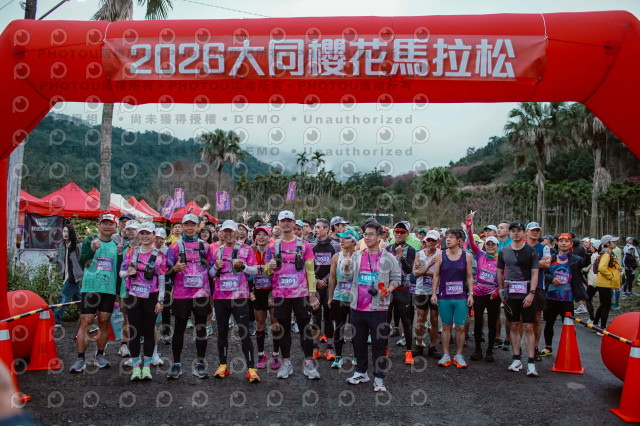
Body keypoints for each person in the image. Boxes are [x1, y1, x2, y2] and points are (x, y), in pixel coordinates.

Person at [343, 221, 400, 392]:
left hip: (378, 308)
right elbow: (348, 277)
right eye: (365, 234)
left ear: (380, 236)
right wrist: (346, 267)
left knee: (379, 344)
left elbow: (397, 279)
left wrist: (388, 290)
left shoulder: (388, 257)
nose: (367, 237)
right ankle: (361, 372)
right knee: (358, 342)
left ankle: (379, 378)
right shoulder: (357, 255)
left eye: (371, 234)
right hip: (357, 307)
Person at [264, 210, 320, 380]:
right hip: (281, 295)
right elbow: (266, 271)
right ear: (278, 223)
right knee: (283, 328)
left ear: (294, 223)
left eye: (289, 221)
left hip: (301, 294)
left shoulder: (304, 245)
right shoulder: (272, 246)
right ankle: (286, 363)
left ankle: (309, 363)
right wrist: (270, 267)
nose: (286, 224)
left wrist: (312, 295)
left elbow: (310, 272)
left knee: (305, 328)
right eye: (283, 221)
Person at [70, 213, 123, 373]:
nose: (107, 226)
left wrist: (118, 292)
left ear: (115, 227)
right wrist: (92, 250)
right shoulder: (90, 240)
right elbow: (82, 262)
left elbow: (119, 270)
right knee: (86, 321)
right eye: (104, 223)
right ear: (99, 225)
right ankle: (80, 359)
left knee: (104, 321)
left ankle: (100, 355)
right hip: (90, 288)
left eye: (110, 224)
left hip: (108, 289)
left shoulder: (117, 244)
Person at [209, 220, 260, 383]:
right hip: (221, 297)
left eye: (231, 231)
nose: (229, 234)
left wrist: (243, 266)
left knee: (244, 332)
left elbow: (255, 270)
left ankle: (251, 368)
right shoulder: (216, 250)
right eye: (226, 231)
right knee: (222, 331)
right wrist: (215, 267)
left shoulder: (246, 249)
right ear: (221, 233)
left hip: (240, 298)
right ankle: (223, 365)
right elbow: (210, 274)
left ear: (236, 233)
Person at [165, 214, 214, 379]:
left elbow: (212, 270)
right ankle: (176, 364)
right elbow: (165, 271)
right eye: (186, 225)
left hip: (201, 293)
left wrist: (212, 294)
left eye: (193, 225)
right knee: (179, 328)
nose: (190, 228)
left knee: (201, 328)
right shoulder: (174, 246)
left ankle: (200, 364)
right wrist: (174, 269)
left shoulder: (205, 246)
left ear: (198, 227)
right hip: (182, 294)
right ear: (182, 227)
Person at [119, 222, 166, 381]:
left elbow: (162, 280)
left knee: (148, 332)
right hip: (133, 296)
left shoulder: (159, 255)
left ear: (154, 235)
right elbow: (121, 273)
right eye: (142, 233)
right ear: (139, 235)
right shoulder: (130, 252)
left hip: (151, 296)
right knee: (134, 332)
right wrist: (127, 272)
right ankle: (135, 367)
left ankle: (146, 367)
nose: (145, 236)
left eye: (148, 233)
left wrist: (160, 301)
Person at [497, 221, 540, 377]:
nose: (516, 233)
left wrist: (532, 293)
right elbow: (499, 271)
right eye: (513, 230)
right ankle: (516, 359)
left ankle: (531, 363)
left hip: (527, 293)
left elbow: (535, 273)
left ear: (524, 232)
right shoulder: (504, 251)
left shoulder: (531, 251)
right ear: (510, 233)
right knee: (514, 325)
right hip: (510, 294)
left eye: (519, 230)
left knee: (528, 327)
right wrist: (501, 290)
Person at [540, 233, 589, 357]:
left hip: (567, 298)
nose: (563, 243)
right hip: (551, 297)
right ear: (557, 243)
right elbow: (543, 272)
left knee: (568, 325)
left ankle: (570, 348)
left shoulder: (575, 259)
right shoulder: (551, 258)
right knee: (549, 323)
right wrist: (551, 278)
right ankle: (548, 347)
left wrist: (588, 251)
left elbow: (585, 263)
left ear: (571, 244)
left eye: (566, 241)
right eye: (561, 241)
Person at [431, 228, 474, 369]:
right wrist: (434, 293)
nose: (448, 240)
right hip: (444, 297)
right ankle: (446, 354)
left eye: (451, 237)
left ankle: (459, 355)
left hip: (461, 297)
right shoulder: (440, 255)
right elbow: (436, 275)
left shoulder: (467, 256)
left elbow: (469, 276)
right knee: (446, 326)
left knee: (460, 326)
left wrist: (471, 294)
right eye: (446, 237)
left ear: (459, 240)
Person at [466, 213, 500, 362]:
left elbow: (505, 277)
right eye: (488, 244)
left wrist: (498, 291)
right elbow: (471, 240)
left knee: (492, 322)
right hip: (479, 293)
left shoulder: (501, 259)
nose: (490, 246)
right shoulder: (480, 255)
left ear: (497, 246)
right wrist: (469, 223)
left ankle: (490, 350)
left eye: (493, 244)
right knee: (478, 321)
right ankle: (478, 349)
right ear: (485, 245)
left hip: (493, 294)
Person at [386, 220, 416, 365]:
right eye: (396, 231)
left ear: (407, 234)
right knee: (385, 320)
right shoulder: (388, 248)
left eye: (402, 232)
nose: (398, 234)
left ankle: (409, 351)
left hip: (403, 290)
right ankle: (384, 348)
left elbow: (409, 270)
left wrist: (401, 256)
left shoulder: (410, 249)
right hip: (389, 289)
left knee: (406, 321)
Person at [327, 229, 358, 368]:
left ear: (354, 241)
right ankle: (338, 356)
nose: (342, 241)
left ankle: (357, 356)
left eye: (345, 238)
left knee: (356, 328)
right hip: (339, 297)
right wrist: (330, 297)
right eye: (341, 238)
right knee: (339, 327)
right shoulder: (336, 256)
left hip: (355, 298)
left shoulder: (360, 256)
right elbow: (332, 278)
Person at [310, 218, 341, 361]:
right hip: (315, 286)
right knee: (315, 316)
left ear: (327, 229)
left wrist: (327, 280)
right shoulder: (311, 245)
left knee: (329, 316)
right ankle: (315, 347)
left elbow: (338, 265)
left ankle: (329, 347)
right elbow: (308, 265)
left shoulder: (335, 246)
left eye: (318, 227)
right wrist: (316, 280)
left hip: (330, 286)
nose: (315, 230)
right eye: (315, 227)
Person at [252, 225, 281, 370]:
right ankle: (261, 355)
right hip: (258, 292)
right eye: (258, 235)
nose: (261, 237)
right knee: (260, 324)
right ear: (255, 238)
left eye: (264, 234)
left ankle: (275, 355)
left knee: (275, 324)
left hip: (272, 291)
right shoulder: (251, 253)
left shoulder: (274, 253)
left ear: (269, 237)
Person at [412, 229, 441, 359]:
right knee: (420, 319)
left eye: (433, 240)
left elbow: (441, 274)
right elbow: (416, 274)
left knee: (434, 319)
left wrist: (423, 271)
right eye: (428, 240)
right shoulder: (419, 254)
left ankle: (432, 346)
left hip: (435, 291)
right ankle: (419, 345)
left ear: (438, 241)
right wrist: (429, 265)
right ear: (425, 240)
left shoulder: (441, 254)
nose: (430, 242)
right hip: (421, 290)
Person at [525, 222, 551, 361]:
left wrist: (526, 262)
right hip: (521, 285)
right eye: (532, 230)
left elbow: (547, 264)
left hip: (539, 286)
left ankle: (534, 348)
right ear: (526, 232)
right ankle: (518, 349)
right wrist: (537, 262)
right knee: (520, 320)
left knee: (536, 318)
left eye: (537, 230)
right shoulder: (521, 245)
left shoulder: (544, 247)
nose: (535, 232)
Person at [51, 224, 84, 327]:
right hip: (66, 274)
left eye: (68, 232)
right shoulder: (62, 245)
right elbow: (59, 259)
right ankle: (88, 312)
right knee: (78, 297)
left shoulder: (77, 246)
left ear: (72, 233)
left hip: (74, 275)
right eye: (64, 231)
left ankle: (56, 320)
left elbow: (83, 259)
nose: (66, 234)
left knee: (63, 296)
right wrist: (52, 259)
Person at [594, 235, 622, 330]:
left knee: (603, 304)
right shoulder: (607, 254)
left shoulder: (608, 252)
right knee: (607, 305)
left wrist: (617, 269)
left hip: (603, 283)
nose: (615, 243)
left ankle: (595, 323)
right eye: (613, 242)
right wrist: (612, 276)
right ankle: (602, 327)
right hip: (604, 283)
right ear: (608, 243)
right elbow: (602, 268)